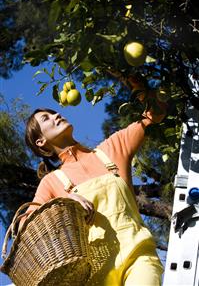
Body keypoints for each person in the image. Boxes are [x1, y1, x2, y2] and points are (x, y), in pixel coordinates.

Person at [22, 102, 166, 286]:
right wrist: (61, 203)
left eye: (54, 113)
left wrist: (131, 79)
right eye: (46, 118)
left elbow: (155, 113)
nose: (56, 115)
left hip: (139, 256)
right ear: (41, 142)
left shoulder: (111, 149)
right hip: (94, 276)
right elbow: (23, 225)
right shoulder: (52, 182)